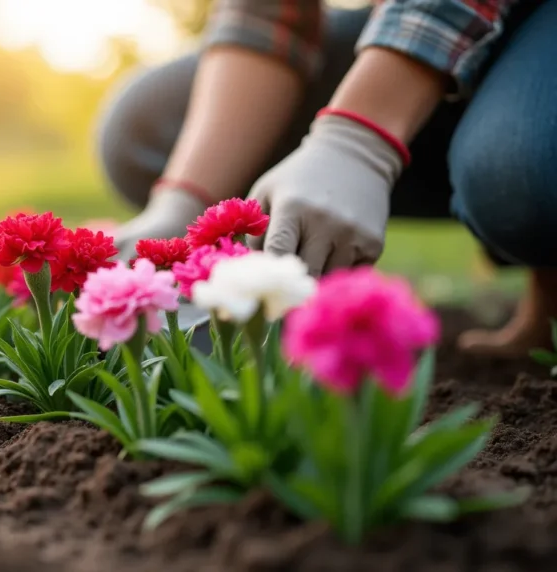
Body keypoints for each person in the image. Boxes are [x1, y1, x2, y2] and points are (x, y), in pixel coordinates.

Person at [98, 0, 556, 358]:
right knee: (145, 129)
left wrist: (359, 138)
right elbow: (270, 15)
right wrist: (184, 200)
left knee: (518, 167)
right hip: (422, 22)